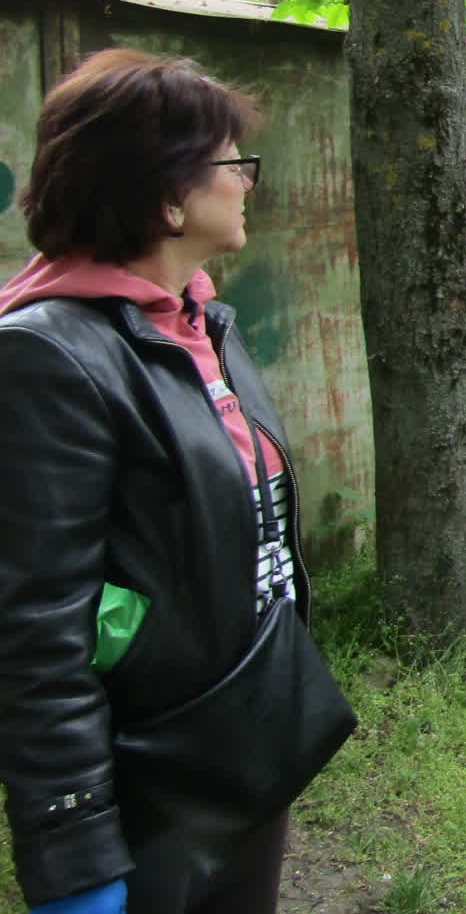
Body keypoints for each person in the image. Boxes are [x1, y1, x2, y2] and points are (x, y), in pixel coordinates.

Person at [0, 50, 350, 914]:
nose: (247, 183)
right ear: (167, 196)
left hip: (235, 753)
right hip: (151, 791)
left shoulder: (199, 324)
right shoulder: (47, 355)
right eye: (232, 163)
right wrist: (74, 851)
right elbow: (35, 629)